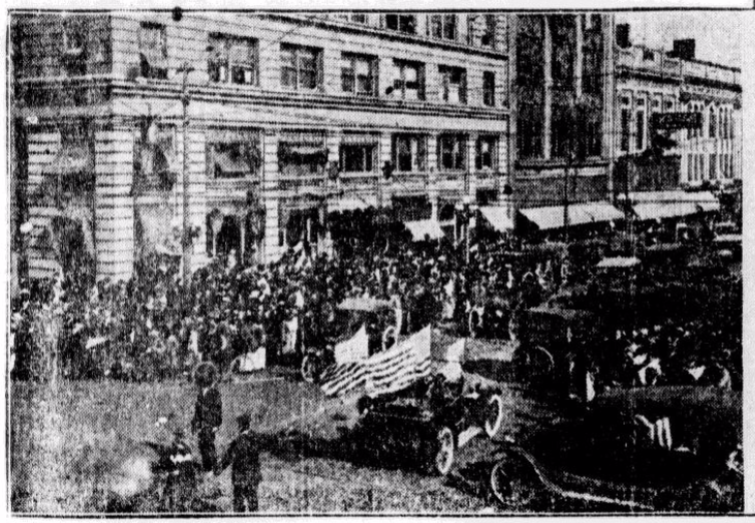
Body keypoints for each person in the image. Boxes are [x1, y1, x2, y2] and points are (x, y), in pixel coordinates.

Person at [215, 413, 262, 513]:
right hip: (253, 477)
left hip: (240, 477)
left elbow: (229, 457)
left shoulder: (238, 441)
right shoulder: (255, 439)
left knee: (238, 504)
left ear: (240, 425)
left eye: (238, 424)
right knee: (253, 504)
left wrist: (218, 469)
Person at [192, 364, 223, 472]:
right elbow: (197, 410)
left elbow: (218, 410)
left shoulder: (214, 393)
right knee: (202, 444)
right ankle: (207, 465)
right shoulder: (200, 394)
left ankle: (214, 464)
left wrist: (216, 424)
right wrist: (195, 423)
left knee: (209, 444)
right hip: (203, 424)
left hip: (210, 424)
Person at [164, 427, 198, 512]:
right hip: (174, 475)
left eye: (179, 436)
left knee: (181, 496)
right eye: (176, 436)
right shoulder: (173, 448)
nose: (177, 438)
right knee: (169, 493)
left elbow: (188, 462)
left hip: (182, 476)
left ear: (181, 437)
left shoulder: (185, 448)